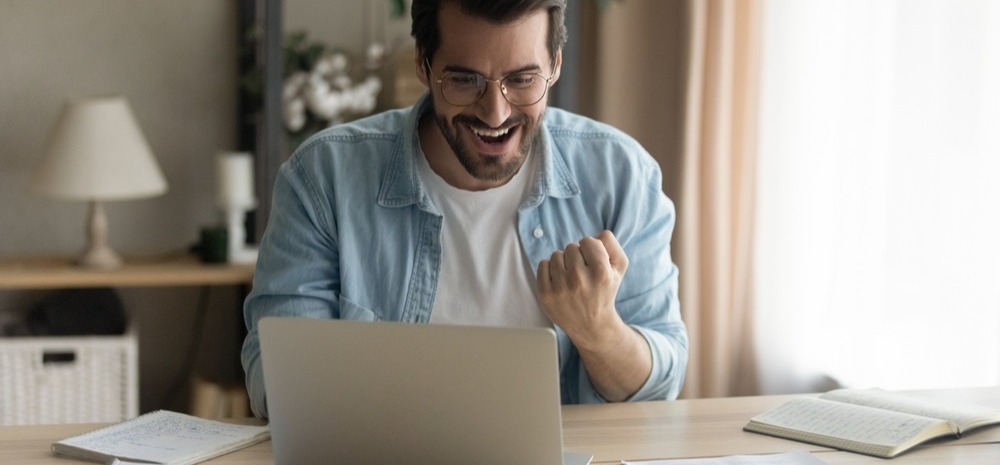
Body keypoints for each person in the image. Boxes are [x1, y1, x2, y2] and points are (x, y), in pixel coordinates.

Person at [242, 0, 688, 418]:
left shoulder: (622, 175)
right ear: (423, 63)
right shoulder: (323, 178)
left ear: (554, 66)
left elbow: (659, 386)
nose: (495, 114)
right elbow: (273, 381)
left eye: (522, 79)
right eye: (464, 80)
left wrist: (598, 330)